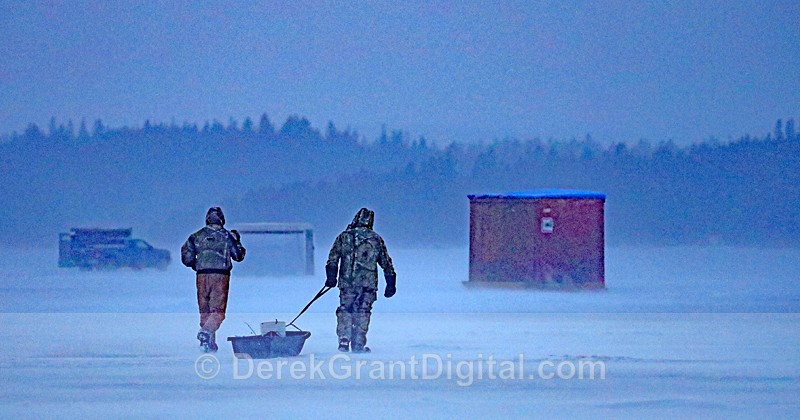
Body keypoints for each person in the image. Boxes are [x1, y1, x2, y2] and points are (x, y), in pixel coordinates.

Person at [325, 208, 396, 353]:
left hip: (347, 282)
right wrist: (390, 283)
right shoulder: (375, 239)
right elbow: (386, 262)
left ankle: (344, 340)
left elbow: (333, 258)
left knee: (346, 309)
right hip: (368, 284)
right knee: (363, 311)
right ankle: (358, 344)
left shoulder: (343, 237)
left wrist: (331, 277)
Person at [181, 207, 246, 352]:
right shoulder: (227, 236)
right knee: (217, 312)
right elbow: (238, 256)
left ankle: (208, 342)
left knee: (205, 310)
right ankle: (206, 333)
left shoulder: (196, 236)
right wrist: (237, 240)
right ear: (222, 220)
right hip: (220, 276)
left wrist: (196, 265)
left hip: (201, 276)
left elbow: (187, 258)